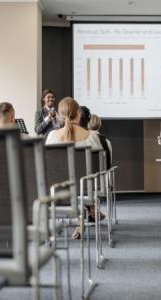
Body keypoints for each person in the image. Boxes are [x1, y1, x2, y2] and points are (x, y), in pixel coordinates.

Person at [46, 97, 104, 239]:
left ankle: (78, 219)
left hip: (58, 190)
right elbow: (99, 169)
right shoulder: (91, 137)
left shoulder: (52, 136)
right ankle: (86, 212)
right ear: (79, 113)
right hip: (85, 191)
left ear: (59, 115)